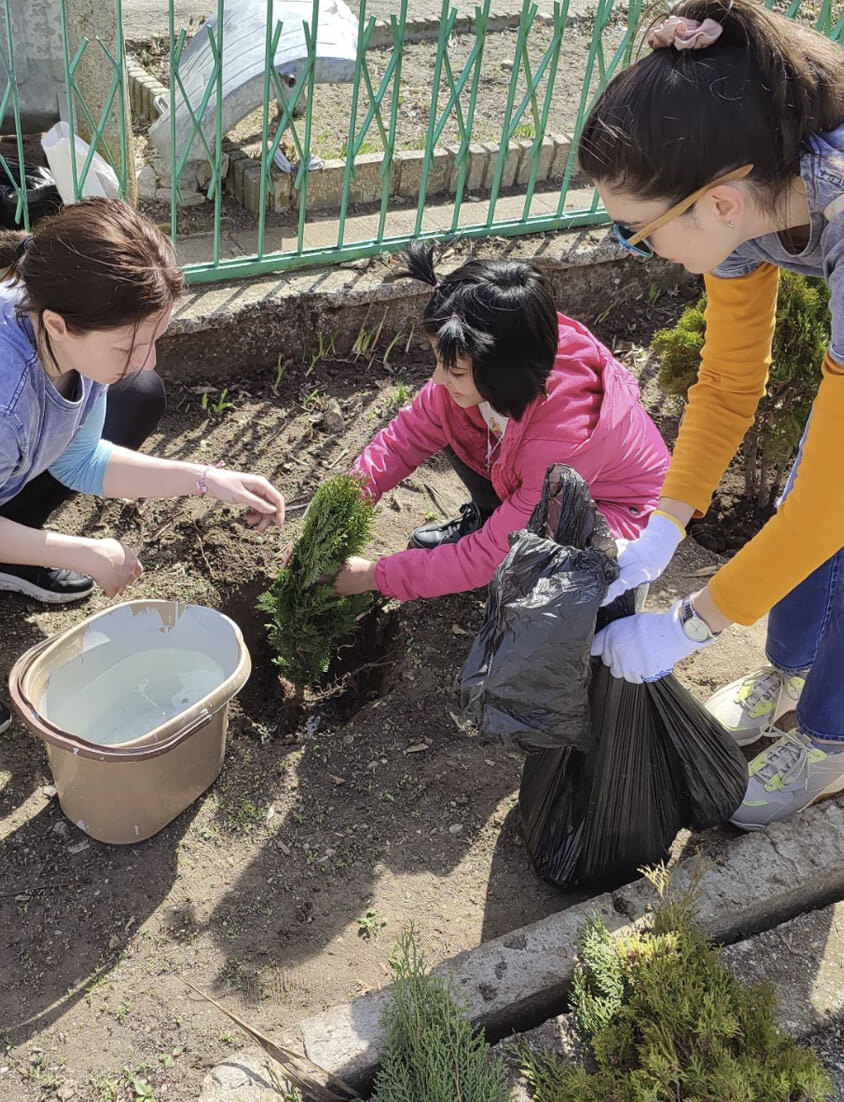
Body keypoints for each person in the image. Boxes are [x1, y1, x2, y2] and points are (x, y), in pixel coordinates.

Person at [579, 0, 844, 829]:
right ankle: (787, 672)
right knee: (808, 491)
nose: (634, 248)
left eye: (635, 231)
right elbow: (729, 381)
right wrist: (664, 524)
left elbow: (832, 508)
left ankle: (831, 740)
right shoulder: (749, 193)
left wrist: (688, 627)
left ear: (719, 203)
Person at [0, 198, 285, 735]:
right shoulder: (5, 401)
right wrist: (80, 551)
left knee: (140, 393)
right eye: (129, 346)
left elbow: (82, 459)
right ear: (58, 326)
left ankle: (14, 552)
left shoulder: (65, 336)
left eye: (153, 339)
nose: (147, 359)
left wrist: (207, 479)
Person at [331, 241, 669, 603]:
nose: (438, 379)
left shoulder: (562, 441)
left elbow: (486, 557)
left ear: (502, 372)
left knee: (550, 588)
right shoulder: (497, 355)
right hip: (533, 483)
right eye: (438, 360)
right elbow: (401, 442)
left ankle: (618, 598)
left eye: (455, 371)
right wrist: (334, 513)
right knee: (453, 423)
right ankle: (491, 518)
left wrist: (375, 576)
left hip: (615, 510)